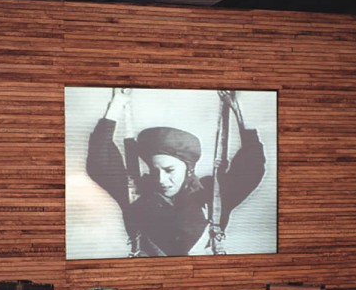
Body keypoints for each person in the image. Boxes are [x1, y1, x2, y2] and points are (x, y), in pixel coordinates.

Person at [86, 88, 266, 257]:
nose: (161, 179)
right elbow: (99, 162)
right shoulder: (136, 195)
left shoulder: (212, 195)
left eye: (169, 170)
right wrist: (117, 104)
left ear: (189, 168)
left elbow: (252, 167)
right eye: (154, 171)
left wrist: (239, 109)